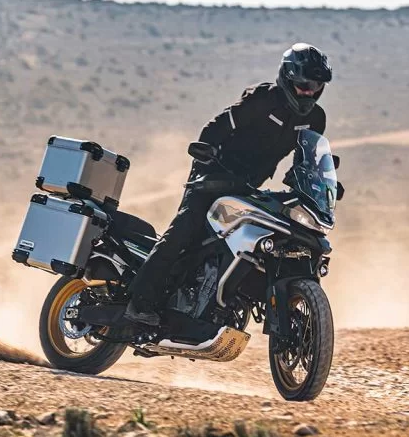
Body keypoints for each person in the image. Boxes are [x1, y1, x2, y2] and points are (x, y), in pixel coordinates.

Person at [124, 42, 333, 326]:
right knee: (184, 230)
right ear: (288, 77)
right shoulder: (262, 101)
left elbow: (305, 160)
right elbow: (214, 129)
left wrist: (317, 184)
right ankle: (139, 301)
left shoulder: (315, 118)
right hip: (213, 173)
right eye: (305, 84)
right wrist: (208, 155)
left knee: (277, 235)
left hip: (248, 185)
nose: (310, 91)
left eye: (317, 85)